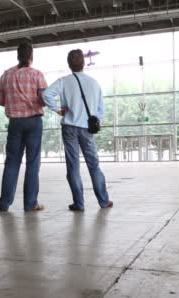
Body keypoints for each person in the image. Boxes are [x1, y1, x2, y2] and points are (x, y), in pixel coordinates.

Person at [42, 49, 113, 211]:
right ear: (84, 63)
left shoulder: (64, 81)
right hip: (87, 128)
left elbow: (46, 95)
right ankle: (103, 201)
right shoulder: (94, 83)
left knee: (73, 166)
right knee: (93, 165)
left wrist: (58, 110)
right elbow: (101, 109)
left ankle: (79, 203)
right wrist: (96, 119)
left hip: (69, 128)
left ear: (69, 65)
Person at [0, 42, 47, 212]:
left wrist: (14, 103)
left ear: (17, 56)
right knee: (32, 163)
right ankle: (30, 203)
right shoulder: (37, 75)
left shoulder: (6, 75)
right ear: (31, 57)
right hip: (33, 122)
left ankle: (4, 204)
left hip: (15, 123)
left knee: (11, 163)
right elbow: (44, 99)